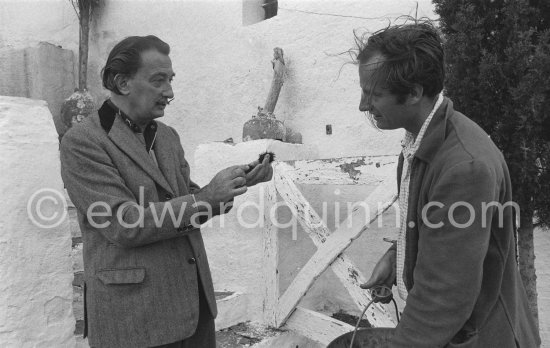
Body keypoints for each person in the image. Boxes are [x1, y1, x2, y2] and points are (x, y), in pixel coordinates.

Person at [60, 35, 272, 348]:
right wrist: (204, 199)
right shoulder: (83, 141)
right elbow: (123, 223)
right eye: (159, 80)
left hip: (194, 307)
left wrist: (236, 184)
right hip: (134, 317)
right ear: (122, 83)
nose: (170, 92)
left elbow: (187, 198)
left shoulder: (168, 136)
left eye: (170, 80)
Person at [356, 22, 540, 347]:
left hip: (483, 337)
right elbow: (442, 230)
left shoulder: (464, 167)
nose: (363, 105)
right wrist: (399, 256)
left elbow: (442, 298)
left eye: (373, 94)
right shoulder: (420, 143)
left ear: (413, 92)